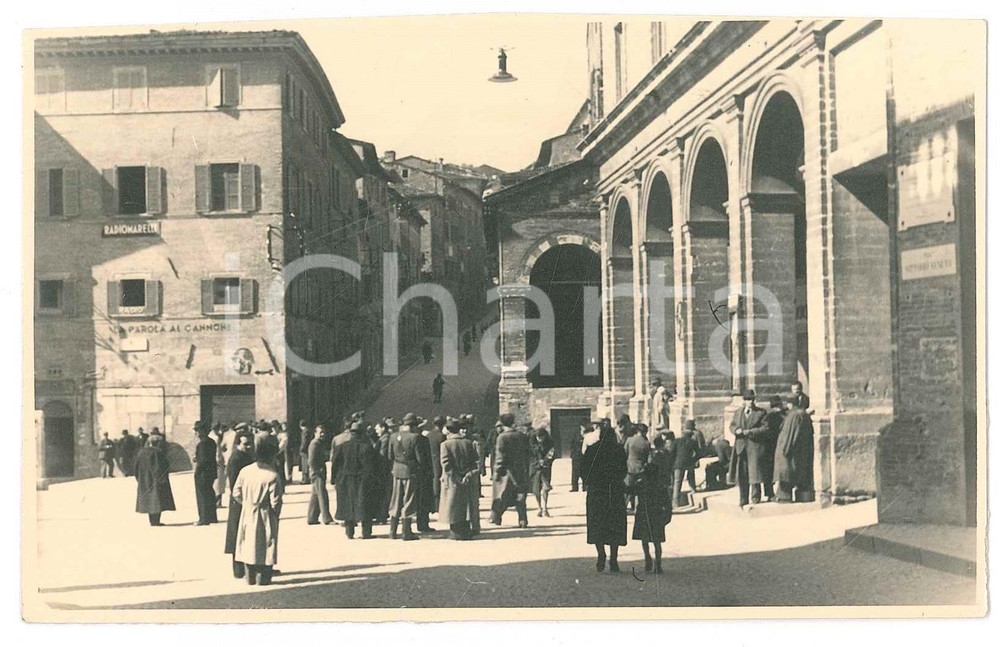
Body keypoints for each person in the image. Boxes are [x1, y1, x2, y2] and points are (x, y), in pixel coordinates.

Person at [231, 433, 283, 586]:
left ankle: (250, 577)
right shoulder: (272, 475)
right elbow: (276, 501)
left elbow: (236, 493)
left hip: (247, 511)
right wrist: (274, 514)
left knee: (248, 543)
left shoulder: (245, 471)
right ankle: (263, 578)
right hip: (265, 513)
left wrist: (247, 503)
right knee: (265, 544)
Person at [583, 420, 628, 573]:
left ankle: (601, 554)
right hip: (614, 491)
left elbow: (584, 471)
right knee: (615, 524)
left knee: (597, 524)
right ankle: (613, 558)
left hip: (597, 491)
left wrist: (591, 482)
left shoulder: (591, 450)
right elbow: (623, 470)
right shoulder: (619, 450)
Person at [633, 433, 674, 574]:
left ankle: (647, 560)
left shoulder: (641, 484)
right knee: (657, 542)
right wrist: (667, 516)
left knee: (644, 540)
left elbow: (629, 490)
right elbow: (667, 504)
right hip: (656, 515)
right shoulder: (660, 487)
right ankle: (658, 564)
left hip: (643, 514)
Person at [330, 422, 377, 539]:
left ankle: (349, 532)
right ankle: (366, 532)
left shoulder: (341, 446)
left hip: (345, 479)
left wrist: (333, 480)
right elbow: (370, 466)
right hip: (362, 479)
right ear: (362, 434)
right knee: (365, 504)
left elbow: (335, 464)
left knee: (348, 504)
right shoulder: (366, 447)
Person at [388, 413, 427, 540]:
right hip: (410, 471)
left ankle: (392, 531)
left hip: (396, 470)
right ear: (414, 426)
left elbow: (389, 456)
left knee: (396, 499)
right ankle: (406, 531)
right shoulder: (415, 437)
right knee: (408, 499)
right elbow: (420, 458)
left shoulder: (393, 436)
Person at [439, 420, 481, 540]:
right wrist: (468, 475)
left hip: (452, 480)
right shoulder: (468, 443)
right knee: (466, 505)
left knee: (453, 505)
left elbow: (446, 464)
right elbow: (476, 461)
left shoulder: (445, 445)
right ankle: (466, 530)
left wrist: (456, 477)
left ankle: (456, 533)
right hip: (468, 479)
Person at [728, 390, 768, 508]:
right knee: (742, 474)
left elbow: (765, 428)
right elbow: (732, 425)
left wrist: (750, 432)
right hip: (741, 447)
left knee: (755, 472)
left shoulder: (761, 413)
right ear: (743, 401)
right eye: (747, 399)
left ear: (754, 400)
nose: (749, 402)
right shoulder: (738, 412)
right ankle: (743, 499)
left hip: (755, 447)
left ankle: (755, 497)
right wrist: (736, 430)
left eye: (751, 399)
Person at [224, 432, 255, 578]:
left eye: (250, 443)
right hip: (239, 501)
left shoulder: (246, 456)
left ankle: (250, 567)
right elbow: (234, 484)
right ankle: (238, 570)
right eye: (245, 444)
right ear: (237, 444)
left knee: (247, 534)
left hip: (247, 500)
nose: (248, 446)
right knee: (237, 534)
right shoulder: (236, 459)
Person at [490, 413, 530, 528]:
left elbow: (500, 457)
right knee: (520, 496)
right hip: (520, 470)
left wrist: (497, 472)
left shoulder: (501, 437)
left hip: (506, 472)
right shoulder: (521, 436)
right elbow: (527, 453)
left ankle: (496, 517)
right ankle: (522, 520)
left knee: (502, 495)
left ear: (502, 424)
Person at [775, 397, 815, 503]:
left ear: (791, 404)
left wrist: (785, 449)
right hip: (797, 449)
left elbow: (791, 434)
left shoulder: (795, 415)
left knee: (786, 473)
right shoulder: (801, 414)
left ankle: (784, 496)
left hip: (788, 450)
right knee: (794, 472)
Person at [134, 430, 175, 526]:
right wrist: (163, 479)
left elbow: (136, 467)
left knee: (149, 500)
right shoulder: (158, 453)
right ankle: (156, 521)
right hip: (155, 480)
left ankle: (152, 521)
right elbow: (160, 468)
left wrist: (139, 479)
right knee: (157, 500)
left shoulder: (141, 452)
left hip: (144, 480)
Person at [413, 416, 437, 533]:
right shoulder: (423, 440)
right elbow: (425, 459)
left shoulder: (408, 438)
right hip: (423, 473)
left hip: (411, 473)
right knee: (423, 500)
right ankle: (423, 524)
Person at [306, 425, 334, 525]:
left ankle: (312, 518)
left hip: (318, 472)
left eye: (323, 432)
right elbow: (311, 460)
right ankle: (327, 518)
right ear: (315, 433)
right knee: (323, 495)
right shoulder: (314, 444)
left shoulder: (319, 443)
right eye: (320, 432)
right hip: (317, 473)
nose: (322, 434)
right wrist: (317, 471)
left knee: (315, 495)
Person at [193, 423, 219, 525]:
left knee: (202, 496)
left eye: (198, 430)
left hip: (203, 473)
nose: (197, 433)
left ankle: (204, 518)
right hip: (211, 472)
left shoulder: (202, 444)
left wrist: (197, 471)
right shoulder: (211, 442)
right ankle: (212, 517)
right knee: (209, 494)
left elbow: (203, 461)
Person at [672, 420, 701, 507]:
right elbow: (698, 453)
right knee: (691, 476)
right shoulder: (693, 442)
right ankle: (693, 489)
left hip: (678, 463)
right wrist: (694, 459)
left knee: (677, 482)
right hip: (688, 463)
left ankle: (675, 503)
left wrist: (673, 462)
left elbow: (672, 453)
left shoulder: (677, 441)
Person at [529, 426, 555, 517]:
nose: (540, 439)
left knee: (545, 488)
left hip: (545, 469)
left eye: (542, 437)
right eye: (538, 437)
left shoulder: (549, 444)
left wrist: (546, 461)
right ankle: (539, 507)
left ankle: (545, 507)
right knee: (536, 490)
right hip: (535, 469)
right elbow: (529, 457)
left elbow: (552, 455)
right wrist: (537, 462)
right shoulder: (531, 445)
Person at [624, 423, 651, 512]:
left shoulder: (629, 440)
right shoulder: (646, 443)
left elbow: (625, 453)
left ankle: (623, 507)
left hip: (630, 468)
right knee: (640, 490)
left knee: (627, 490)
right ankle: (637, 508)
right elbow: (647, 457)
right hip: (641, 469)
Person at [375, 419, 396, 523]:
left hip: (384, 470)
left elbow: (383, 456)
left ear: (383, 428)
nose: (376, 430)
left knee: (384, 492)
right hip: (387, 469)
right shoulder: (385, 437)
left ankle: (382, 515)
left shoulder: (385, 439)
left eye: (377, 428)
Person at [426, 416, 447, 515]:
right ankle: (437, 505)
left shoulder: (429, 435)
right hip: (438, 461)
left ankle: (432, 506)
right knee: (437, 483)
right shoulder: (441, 436)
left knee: (432, 481)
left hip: (430, 460)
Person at [570, 424, 586, 492]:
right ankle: (575, 487)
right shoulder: (576, 433)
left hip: (584, 455)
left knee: (585, 471)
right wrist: (573, 452)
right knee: (575, 471)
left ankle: (585, 486)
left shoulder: (589, 433)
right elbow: (572, 443)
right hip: (576, 455)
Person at [298, 420, 313, 485]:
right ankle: (307, 478)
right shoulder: (309, 431)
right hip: (308, 449)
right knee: (306, 464)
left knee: (304, 465)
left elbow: (304, 441)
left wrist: (301, 449)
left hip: (305, 450)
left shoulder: (305, 431)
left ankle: (305, 479)